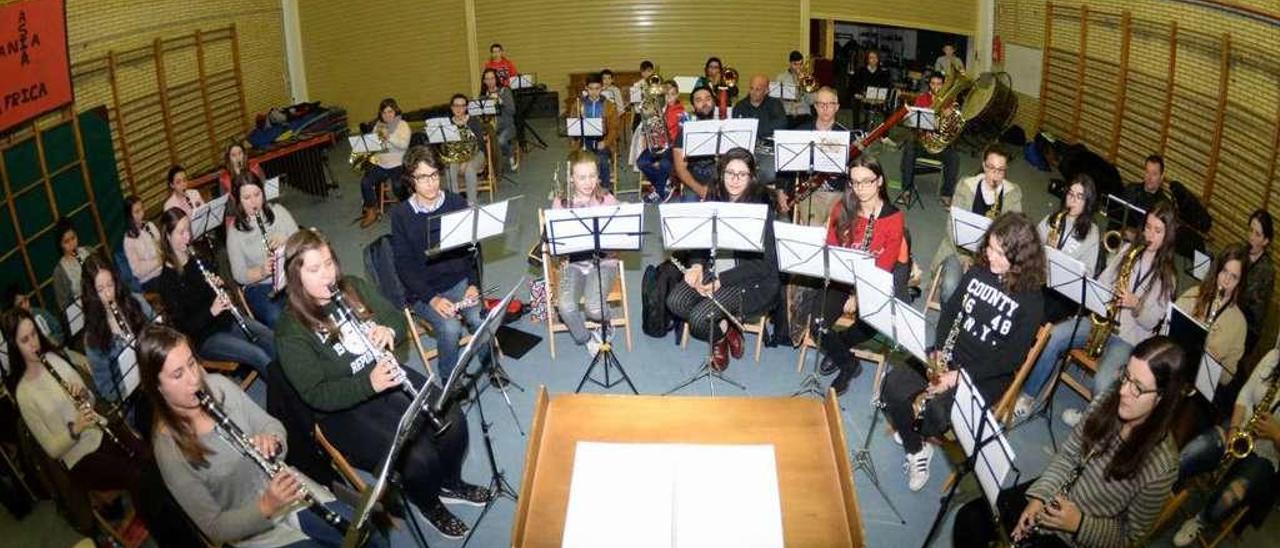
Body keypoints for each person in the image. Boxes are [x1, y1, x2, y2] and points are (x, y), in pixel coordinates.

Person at [275, 228, 490, 539]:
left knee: (452, 418)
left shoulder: (351, 287)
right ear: (296, 277)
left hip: (384, 375)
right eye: (314, 269)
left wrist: (389, 331)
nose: (328, 275)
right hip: (345, 409)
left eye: (328, 263)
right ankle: (429, 503)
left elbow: (396, 318)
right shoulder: (290, 330)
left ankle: (451, 482)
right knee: (416, 454)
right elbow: (316, 394)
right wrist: (369, 385)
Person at [139, 325, 374, 547]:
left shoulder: (219, 386)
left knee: (369, 537)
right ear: (157, 386)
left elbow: (271, 425)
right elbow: (214, 527)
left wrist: (273, 440)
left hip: (292, 492)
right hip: (256, 533)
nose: (194, 379)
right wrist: (265, 506)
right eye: (178, 374)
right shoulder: (169, 451)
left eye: (192, 363)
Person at [953, 336, 1190, 547]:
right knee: (970, 518)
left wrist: (1078, 524)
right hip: (1055, 494)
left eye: (1137, 387)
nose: (1123, 391)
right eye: (1125, 376)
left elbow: (1129, 536)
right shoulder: (1107, 401)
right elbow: (1068, 456)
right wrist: (1039, 498)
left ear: (1162, 398)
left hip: (1081, 535)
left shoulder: (1161, 466)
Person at [882, 212, 1046, 491]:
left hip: (985, 375)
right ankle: (917, 447)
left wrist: (958, 377)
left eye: (1000, 253)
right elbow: (950, 313)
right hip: (949, 356)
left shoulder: (1031, 300)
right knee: (891, 386)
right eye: (990, 248)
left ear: (1020, 259)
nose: (990, 256)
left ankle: (916, 435)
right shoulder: (979, 271)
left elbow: (1011, 359)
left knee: (935, 413)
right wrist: (939, 354)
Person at [1023, 202, 1178, 427]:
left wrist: (1136, 304)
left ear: (1168, 236)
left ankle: (1088, 419)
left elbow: (1152, 321)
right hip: (1100, 323)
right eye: (1147, 227)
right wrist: (1105, 292)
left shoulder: (1167, 277)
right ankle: (1027, 397)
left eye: (1157, 231)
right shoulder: (1128, 250)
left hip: (1126, 339)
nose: (1149, 235)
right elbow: (1104, 280)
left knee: (1103, 382)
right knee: (1054, 336)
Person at [3, 308, 147, 513]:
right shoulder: (24, 394)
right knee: (133, 474)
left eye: (34, 333)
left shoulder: (53, 359)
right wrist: (75, 428)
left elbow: (90, 398)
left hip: (98, 430)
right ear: (15, 346)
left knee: (143, 453)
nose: (34, 343)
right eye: (25, 340)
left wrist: (83, 394)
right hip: (79, 458)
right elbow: (52, 450)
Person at [666, 147, 779, 371]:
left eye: (742, 174)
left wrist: (719, 281)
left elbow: (764, 265)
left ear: (751, 176)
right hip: (715, 268)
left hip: (749, 281)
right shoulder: (713, 196)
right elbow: (700, 238)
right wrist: (697, 265)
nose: (735, 180)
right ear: (721, 173)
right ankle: (726, 329)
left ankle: (718, 337)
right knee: (675, 302)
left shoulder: (761, 207)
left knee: (699, 319)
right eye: (730, 173)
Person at [392, 146, 489, 381]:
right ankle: (449, 380)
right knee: (450, 328)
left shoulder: (456, 203)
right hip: (424, 291)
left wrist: (473, 284)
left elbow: (473, 250)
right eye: (423, 177)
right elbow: (403, 266)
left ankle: (490, 364)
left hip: (459, 282)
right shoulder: (401, 215)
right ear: (410, 180)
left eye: (434, 175)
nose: (431, 183)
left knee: (478, 317)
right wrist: (432, 299)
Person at [1172, 337, 1280, 546]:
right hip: (1240, 427)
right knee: (1192, 452)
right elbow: (1246, 394)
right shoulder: (1273, 357)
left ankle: (1201, 520)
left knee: (1231, 497)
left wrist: (1276, 434)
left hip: (1268, 453)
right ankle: (1159, 489)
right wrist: (1233, 430)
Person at [816, 156, 905, 395]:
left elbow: (885, 264)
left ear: (880, 181)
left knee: (874, 321)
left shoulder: (893, 218)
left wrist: (858, 294)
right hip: (841, 277)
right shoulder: (841, 208)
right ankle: (849, 363)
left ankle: (841, 347)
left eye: (867, 181)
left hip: (872, 281)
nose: (861, 188)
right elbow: (832, 249)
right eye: (855, 182)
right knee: (816, 322)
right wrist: (844, 287)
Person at [154, 207, 276, 376]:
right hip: (206, 338)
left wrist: (219, 284)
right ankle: (284, 396)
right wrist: (212, 311)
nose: (188, 237)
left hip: (227, 319)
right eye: (181, 233)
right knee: (257, 354)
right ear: (168, 236)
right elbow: (184, 327)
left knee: (270, 338)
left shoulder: (197, 258)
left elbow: (219, 289)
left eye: (188, 230)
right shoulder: (166, 282)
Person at [930, 145, 1023, 304]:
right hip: (958, 250)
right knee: (950, 287)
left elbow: (1015, 234)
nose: (995, 174)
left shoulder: (1012, 194)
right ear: (983, 165)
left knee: (988, 299)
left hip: (992, 257)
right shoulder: (966, 186)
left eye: (1000, 170)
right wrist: (964, 257)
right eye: (991, 168)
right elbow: (952, 228)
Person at [551, 150, 620, 355]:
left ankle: (606, 320)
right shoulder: (561, 204)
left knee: (595, 308)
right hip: (573, 264)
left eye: (592, 176)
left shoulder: (606, 199)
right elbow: (556, 243)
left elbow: (620, 234)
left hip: (603, 263)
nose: (588, 182)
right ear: (571, 178)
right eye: (581, 177)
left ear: (598, 175)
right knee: (565, 306)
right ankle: (587, 338)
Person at [226, 172, 299, 328]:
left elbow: (302, 243)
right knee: (276, 317)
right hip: (259, 287)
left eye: (257, 194)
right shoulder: (234, 232)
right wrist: (262, 271)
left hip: (289, 274)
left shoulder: (278, 211)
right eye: (246, 198)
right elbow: (239, 275)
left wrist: (287, 242)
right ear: (238, 201)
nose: (254, 202)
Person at [80, 254, 154, 404]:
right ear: (91, 294)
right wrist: (133, 383)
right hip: (136, 399)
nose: (108, 294)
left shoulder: (135, 301)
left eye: (110, 285)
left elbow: (159, 329)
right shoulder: (92, 338)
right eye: (100, 290)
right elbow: (107, 390)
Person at [1032, 174, 1102, 331]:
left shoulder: (1092, 232)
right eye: (1070, 194)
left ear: (1088, 202)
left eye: (1079, 197)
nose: (1072, 200)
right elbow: (1031, 245)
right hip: (1040, 282)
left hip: (1063, 295)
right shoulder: (1054, 218)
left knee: (1039, 315)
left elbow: (1088, 273)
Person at [1175, 245, 1248, 386]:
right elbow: (1168, 325)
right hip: (1175, 366)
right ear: (1217, 271)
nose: (1226, 281)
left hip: (1200, 385)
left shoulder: (1239, 324)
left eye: (1234, 277)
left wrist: (1216, 365)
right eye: (1224, 271)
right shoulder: (1194, 294)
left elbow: (1228, 378)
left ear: (1240, 283)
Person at [775, 86, 851, 215]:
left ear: (837, 107)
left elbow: (856, 170)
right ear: (815, 106)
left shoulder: (846, 135)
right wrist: (780, 191)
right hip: (807, 192)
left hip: (837, 192)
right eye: (821, 104)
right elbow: (784, 166)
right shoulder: (800, 132)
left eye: (830, 104)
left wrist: (848, 169)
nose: (825, 108)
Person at [898, 73, 960, 206]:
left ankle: (946, 194)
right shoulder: (922, 99)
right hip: (923, 143)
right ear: (929, 85)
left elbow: (954, 130)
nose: (936, 87)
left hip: (939, 145)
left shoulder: (950, 101)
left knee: (954, 157)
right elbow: (914, 124)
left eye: (939, 84)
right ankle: (906, 190)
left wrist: (949, 118)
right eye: (933, 84)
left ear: (943, 85)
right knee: (909, 148)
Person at [358, 98, 411, 228]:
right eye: (384, 113)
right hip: (381, 163)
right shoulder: (378, 126)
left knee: (398, 185)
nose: (387, 115)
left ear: (395, 111)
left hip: (398, 163)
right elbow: (374, 145)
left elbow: (404, 145)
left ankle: (406, 210)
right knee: (365, 182)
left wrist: (389, 137)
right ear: (381, 114)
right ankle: (372, 210)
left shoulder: (402, 125)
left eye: (390, 112)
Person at [569, 73, 620, 190]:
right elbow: (573, 125)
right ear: (586, 88)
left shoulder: (609, 106)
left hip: (602, 140)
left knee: (601, 160)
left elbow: (614, 129)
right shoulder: (578, 104)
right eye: (591, 89)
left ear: (602, 88)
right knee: (580, 161)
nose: (594, 92)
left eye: (597, 89)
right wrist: (575, 138)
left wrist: (606, 142)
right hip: (584, 140)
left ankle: (604, 189)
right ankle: (582, 188)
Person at [733, 74, 786, 184]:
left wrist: (753, 129)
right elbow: (737, 131)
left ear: (766, 90)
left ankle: (754, 190)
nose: (753, 92)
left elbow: (782, 124)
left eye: (758, 89)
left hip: (768, 152)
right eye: (751, 88)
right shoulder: (739, 106)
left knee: (769, 173)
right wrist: (765, 129)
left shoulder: (775, 104)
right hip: (745, 151)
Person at [636, 80, 683, 203]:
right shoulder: (659, 108)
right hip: (657, 145)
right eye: (666, 95)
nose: (669, 98)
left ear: (677, 95)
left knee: (664, 164)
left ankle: (659, 192)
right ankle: (662, 187)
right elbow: (649, 128)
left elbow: (678, 132)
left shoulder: (679, 111)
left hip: (672, 146)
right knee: (641, 162)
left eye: (672, 94)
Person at [670, 85, 718, 201]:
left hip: (720, 177)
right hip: (694, 179)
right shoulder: (685, 131)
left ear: (713, 102)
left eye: (708, 99)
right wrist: (700, 190)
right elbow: (680, 169)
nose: (705, 103)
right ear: (693, 106)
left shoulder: (726, 126)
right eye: (699, 100)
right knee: (689, 209)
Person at [441, 93, 488, 205]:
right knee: (450, 167)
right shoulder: (447, 124)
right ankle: (456, 201)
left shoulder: (473, 121)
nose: (459, 108)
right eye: (456, 105)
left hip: (476, 154)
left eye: (462, 106)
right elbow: (446, 146)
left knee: (469, 168)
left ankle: (472, 202)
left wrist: (466, 161)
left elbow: (480, 143)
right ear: (451, 107)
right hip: (456, 156)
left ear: (466, 108)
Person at [1242, 209, 1274, 355]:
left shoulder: (1267, 271)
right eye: (1250, 230)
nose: (1251, 238)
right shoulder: (1240, 253)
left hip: (1247, 329)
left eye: (1257, 234)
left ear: (1266, 241)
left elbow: (1255, 314)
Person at [217, 142, 266, 229]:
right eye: (234, 155)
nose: (238, 158)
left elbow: (263, 190)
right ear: (229, 158)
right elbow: (227, 207)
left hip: (259, 209)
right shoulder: (224, 179)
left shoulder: (254, 167)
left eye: (240, 153)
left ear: (244, 154)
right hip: (238, 216)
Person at [52, 217, 95, 313]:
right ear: (60, 245)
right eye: (66, 242)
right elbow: (64, 306)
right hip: (84, 311)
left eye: (73, 238)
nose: (72, 244)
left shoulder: (89, 251)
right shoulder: (59, 272)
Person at [122, 195, 165, 292]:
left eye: (142, 209)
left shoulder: (149, 225)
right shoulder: (128, 240)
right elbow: (137, 271)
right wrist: (158, 261)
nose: (141, 213)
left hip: (163, 269)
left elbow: (162, 247)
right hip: (149, 279)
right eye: (137, 212)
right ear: (129, 215)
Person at [480, 68, 517, 173]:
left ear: (496, 79)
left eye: (492, 78)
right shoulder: (483, 97)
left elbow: (512, 111)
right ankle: (492, 165)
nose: (490, 81)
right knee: (484, 141)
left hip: (507, 126)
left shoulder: (505, 91)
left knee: (500, 141)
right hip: (492, 127)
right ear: (484, 81)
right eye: (487, 79)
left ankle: (510, 153)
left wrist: (501, 101)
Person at [850, 51, 893, 129]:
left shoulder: (883, 73)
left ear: (878, 60)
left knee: (888, 109)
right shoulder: (860, 71)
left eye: (875, 58)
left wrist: (884, 95)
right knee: (855, 103)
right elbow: (853, 85)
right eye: (871, 58)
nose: (873, 60)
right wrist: (857, 94)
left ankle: (884, 133)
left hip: (878, 98)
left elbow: (888, 86)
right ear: (867, 59)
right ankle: (856, 129)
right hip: (863, 98)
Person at [774, 50, 814, 127]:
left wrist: (804, 86)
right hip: (787, 114)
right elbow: (775, 100)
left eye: (801, 64)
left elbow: (811, 101)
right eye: (795, 64)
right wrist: (783, 97)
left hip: (804, 113)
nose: (798, 67)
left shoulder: (808, 78)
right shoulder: (781, 78)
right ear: (790, 63)